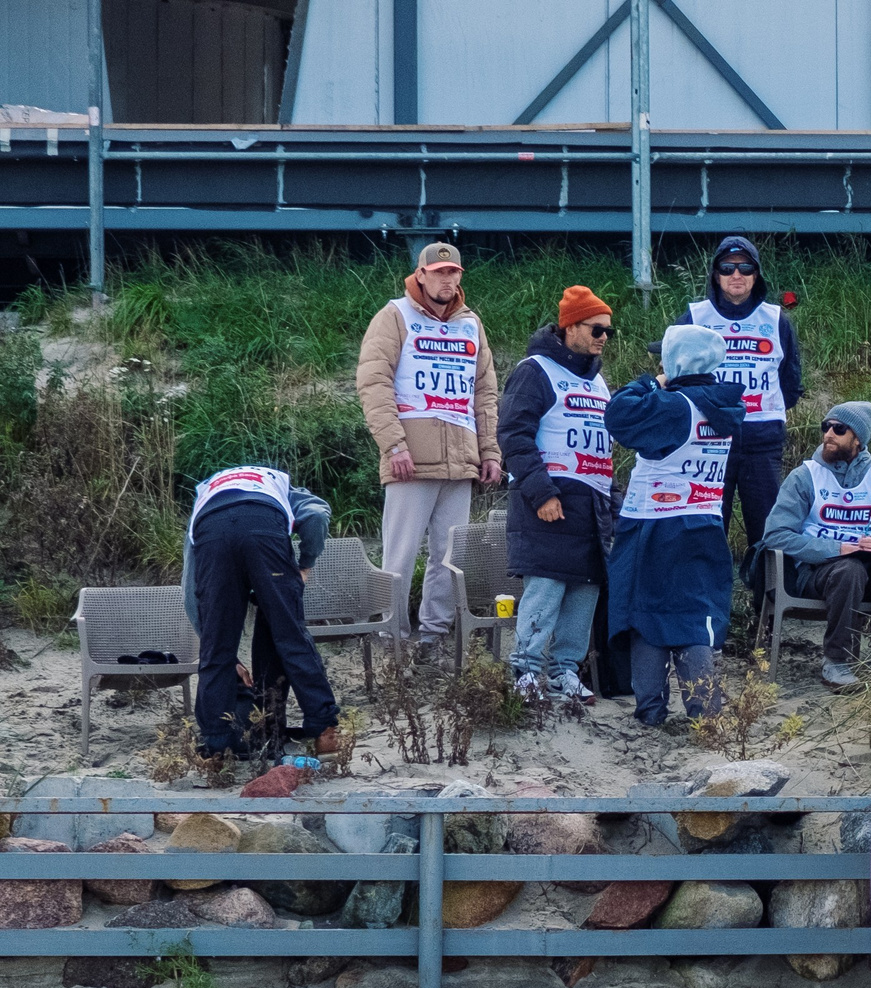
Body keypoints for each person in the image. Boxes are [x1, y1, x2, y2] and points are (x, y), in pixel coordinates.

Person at [356, 240, 500, 644]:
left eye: (454, 272)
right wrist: (394, 445)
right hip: (410, 460)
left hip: (461, 460)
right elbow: (372, 383)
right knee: (398, 557)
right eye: (439, 273)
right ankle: (392, 640)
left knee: (449, 558)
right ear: (420, 275)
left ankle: (433, 638)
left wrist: (489, 450)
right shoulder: (394, 315)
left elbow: (484, 393)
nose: (448, 279)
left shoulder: (472, 323)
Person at [603, 324, 747, 726]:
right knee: (694, 614)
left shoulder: (674, 405)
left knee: (644, 614)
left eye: (664, 357)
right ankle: (706, 712)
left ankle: (650, 712)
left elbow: (618, 414)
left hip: (654, 524)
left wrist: (653, 381)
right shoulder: (725, 406)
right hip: (702, 520)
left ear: (677, 361)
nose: (659, 364)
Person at [497, 284, 618, 707]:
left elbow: (603, 448)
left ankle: (565, 670)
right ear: (570, 327)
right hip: (548, 502)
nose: (604, 337)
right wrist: (541, 492)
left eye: (608, 331)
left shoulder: (599, 382)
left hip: (592, 506)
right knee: (545, 591)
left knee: (583, 595)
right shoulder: (535, 370)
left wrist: (613, 504)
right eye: (596, 328)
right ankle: (526, 672)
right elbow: (513, 434)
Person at [180, 465, 336, 761]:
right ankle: (324, 731)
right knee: (291, 637)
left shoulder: (205, 495)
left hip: (213, 533)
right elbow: (315, 517)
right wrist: (305, 564)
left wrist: (220, 647)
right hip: (265, 525)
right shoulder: (283, 489)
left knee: (216, 651)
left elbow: (191, 590)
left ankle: (217, 746)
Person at [758, 400, 871, 690]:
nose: (828, 434)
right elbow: (775, 535)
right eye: (825, 427)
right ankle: (837, 661)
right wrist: (833, 548)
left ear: (858, 439)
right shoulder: (805, 476)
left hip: (868, 566)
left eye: (839, 429)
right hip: (817, 571)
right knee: (848, 569)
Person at [686, 236, 801, 593]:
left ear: (756, 275)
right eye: (727, 267)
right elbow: (676, 373)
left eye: (745, 267)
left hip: (761, 439)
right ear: (716, 274)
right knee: (707, 523)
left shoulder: (776, 319)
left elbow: (791, 383)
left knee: (766, 528)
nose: (737, 274)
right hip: (709, 438)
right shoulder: (694, 316)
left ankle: (767, 614)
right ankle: (706, 613)